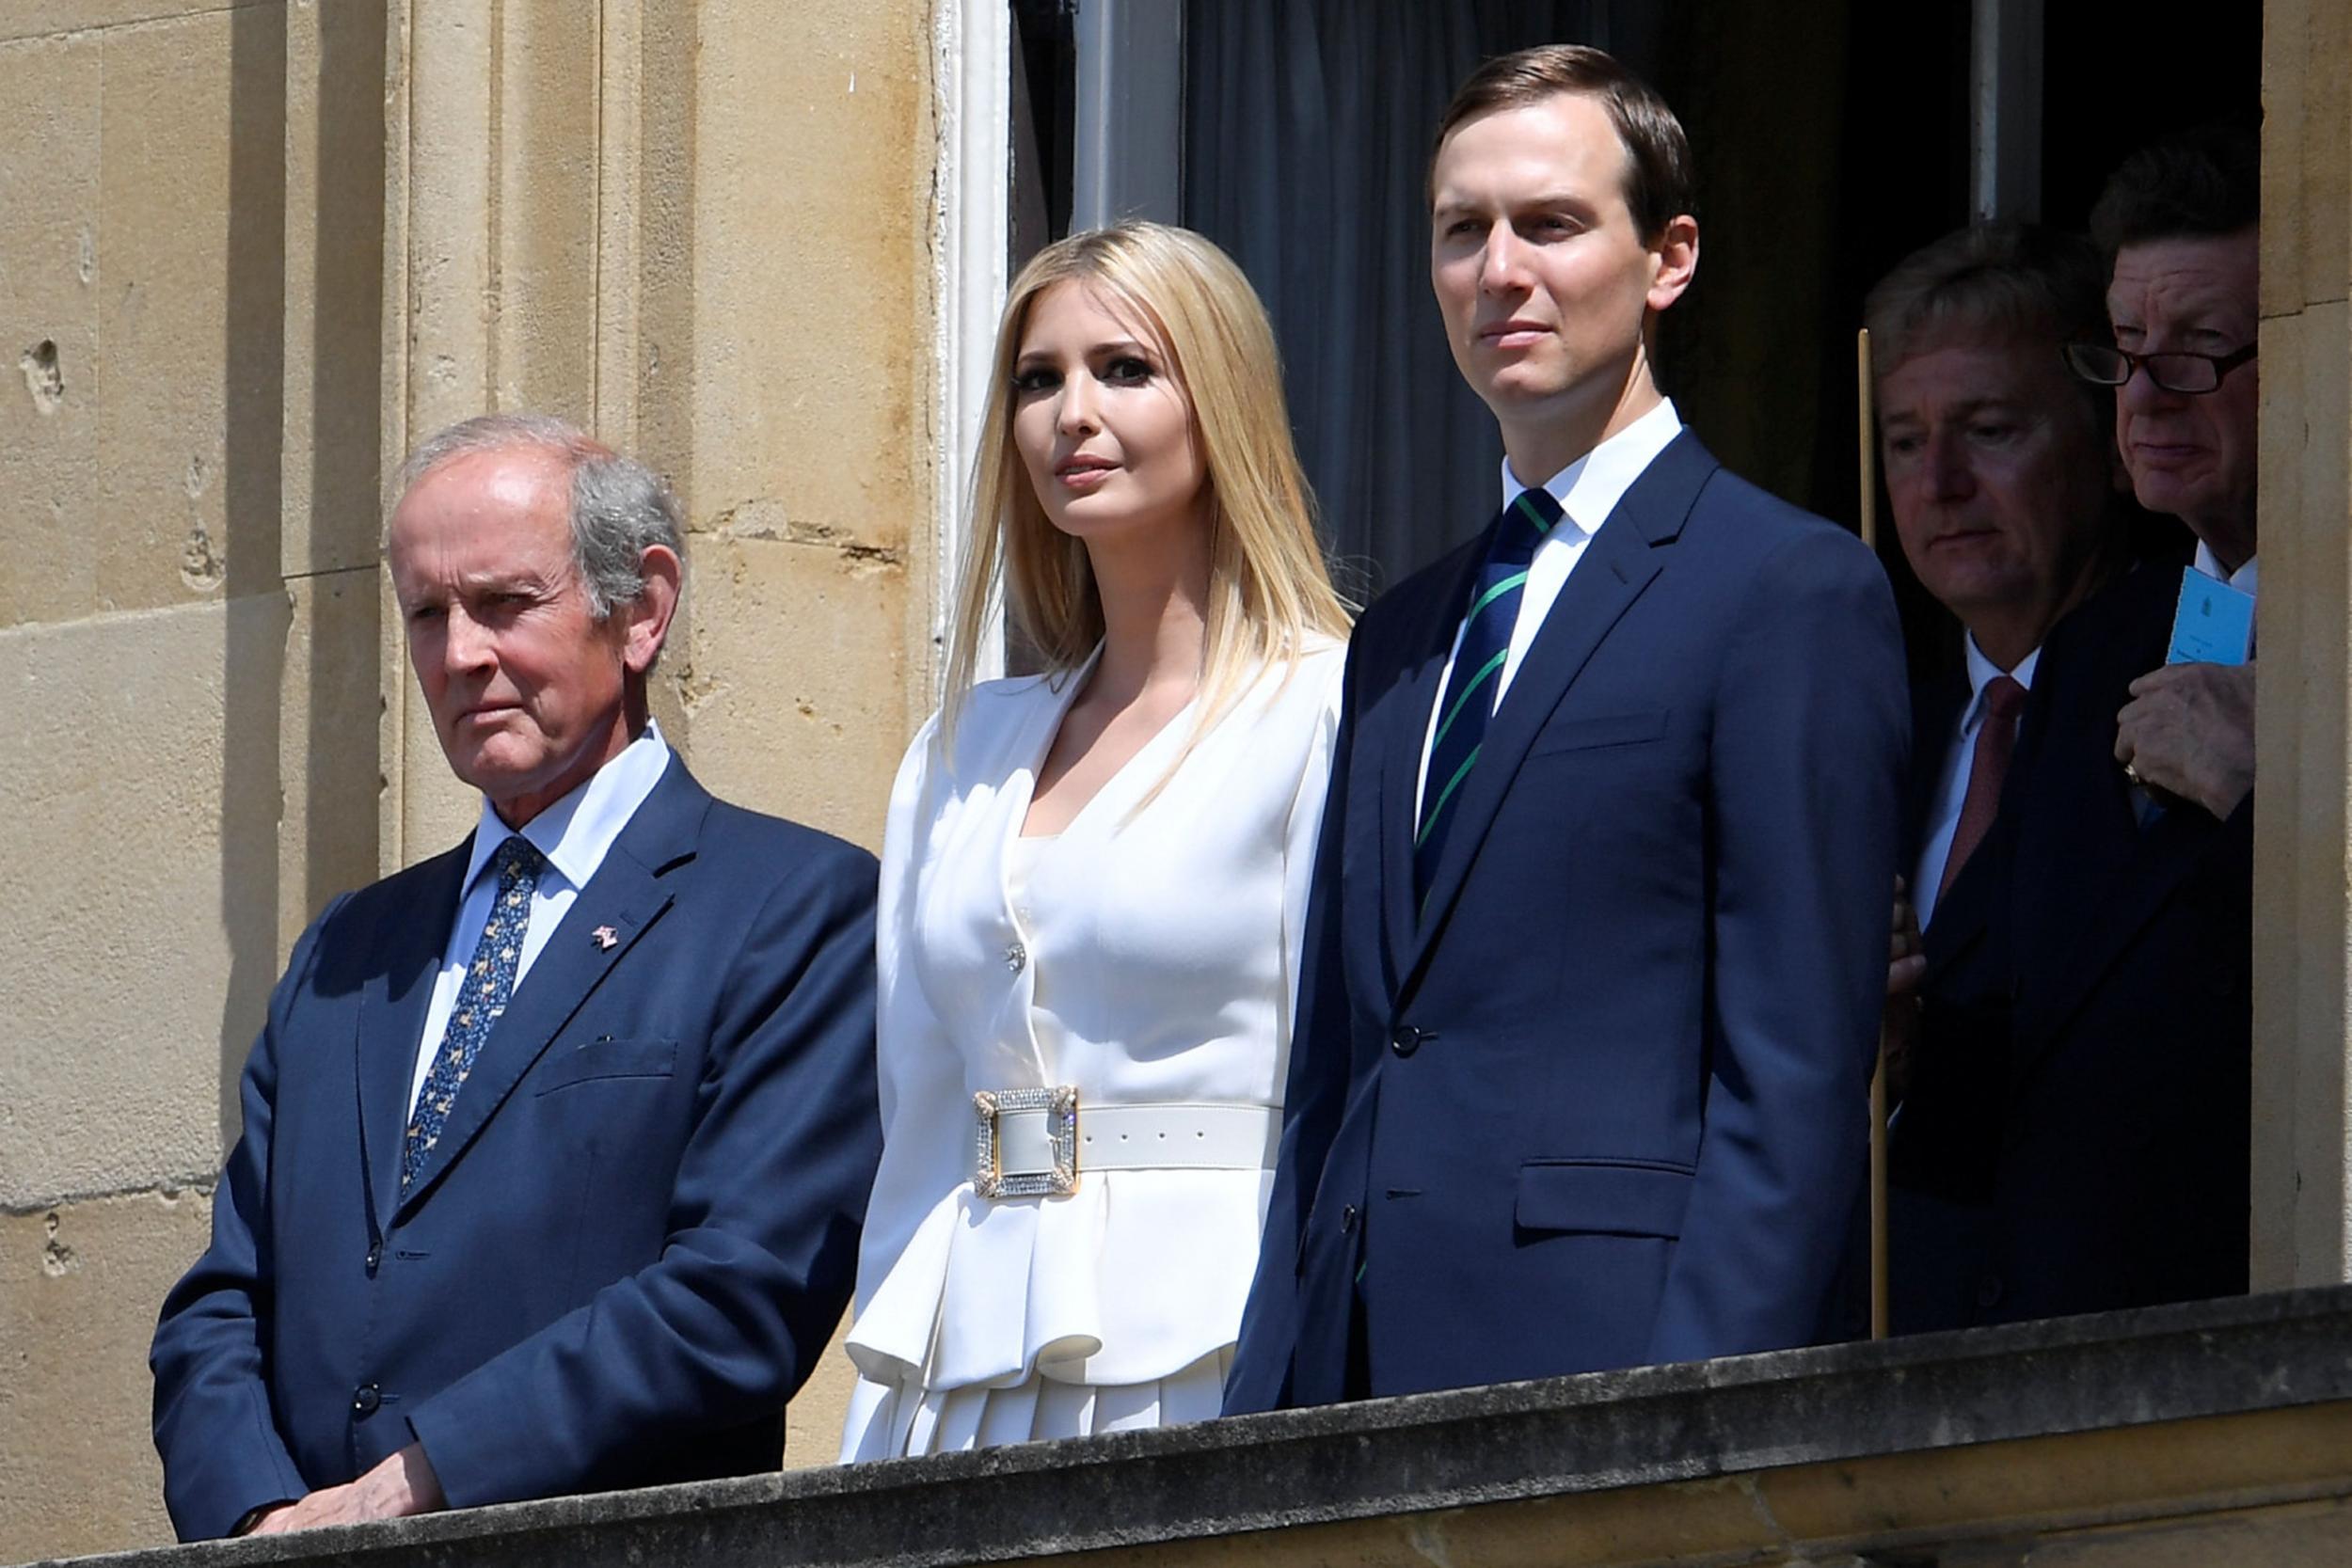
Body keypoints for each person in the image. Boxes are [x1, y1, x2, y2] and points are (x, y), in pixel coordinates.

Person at [1224, 44, 1906, 1411]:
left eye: (1550, 223)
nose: (1500, 270)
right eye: (1461, 230)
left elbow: (1797, 1072)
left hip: (1615, 1374)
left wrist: (1698, 1430)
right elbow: (1338, 1071)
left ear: (1669, 259)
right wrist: (1265, 1396)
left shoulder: (1783, 588)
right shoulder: (1402, 635)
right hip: (1348, 1391)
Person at [150, 416, 881, 1540]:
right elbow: (221, 1300)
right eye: (428, 615)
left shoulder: (788, 908)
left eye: (504, 603)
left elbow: (740, 1293)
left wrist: (421, 1476)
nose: (459, 656)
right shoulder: (350, 950)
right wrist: (259, 1519)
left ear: (639, 610)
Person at [837, 222, 1351, 1458]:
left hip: (1212, 1344)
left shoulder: (1325, 705)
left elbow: (1342, 1085)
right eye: (1037, 378)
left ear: (1216, 393)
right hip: (961, 1360)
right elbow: (917, 1110)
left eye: (1125, 368)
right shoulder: (958, 747)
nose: (1073, 411)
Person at [1868, 225, 2250, 1329]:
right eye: (1902, 440)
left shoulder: (2209, 640)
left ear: (2103, 435)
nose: (1939, 483)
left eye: (1989, 430)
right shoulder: (1871, 734)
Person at [2075, 124, 2260, 826]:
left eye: (2204, 341)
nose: (2145, 392)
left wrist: (2253, 797)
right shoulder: (2088, 649)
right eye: (2127, 340)